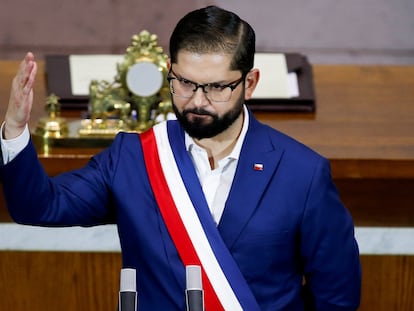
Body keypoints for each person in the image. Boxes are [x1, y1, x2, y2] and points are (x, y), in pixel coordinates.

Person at [0, 5, 361, 311]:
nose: (198, 101)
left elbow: (337, 297)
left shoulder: (302, 173)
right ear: (170, 70)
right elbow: (40, 207)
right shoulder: (134, 158)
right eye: (185, 83)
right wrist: (15, 128)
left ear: (249, 83)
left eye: (217, 87)